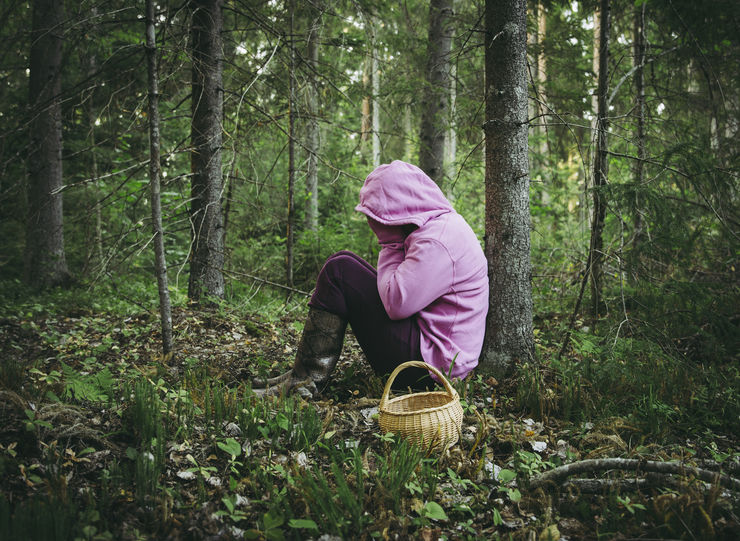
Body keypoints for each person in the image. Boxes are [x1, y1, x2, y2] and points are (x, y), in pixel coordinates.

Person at [252, 160, 488, 397]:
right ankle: (301, 374)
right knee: (343, 262)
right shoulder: (438, 227)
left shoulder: (437, 242)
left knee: (340, 270)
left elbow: (396, 305)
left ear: (399, 208)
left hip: (431, 371)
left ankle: (304, 381)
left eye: (377, 216)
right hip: (434, 353)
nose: (372, 222)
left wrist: (389, 245)